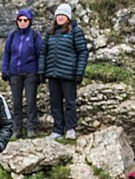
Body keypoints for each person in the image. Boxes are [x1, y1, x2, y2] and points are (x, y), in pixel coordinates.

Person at [38, 3, 88, 141]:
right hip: (53, 74)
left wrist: (79, 72)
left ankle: (70, 128)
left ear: (68, 17)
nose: (60, 17)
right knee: (55, 103)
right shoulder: (50, 32)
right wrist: (41, 71)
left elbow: (82, 52)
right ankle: (57, 129)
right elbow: (43, 52)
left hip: (68, 75)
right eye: (58, 15)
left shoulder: (75, 31)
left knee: (70, 102)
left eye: (63, 15)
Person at [1, 8, 42, 139]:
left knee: (31, 102)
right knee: (16, 102)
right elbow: (6, 53)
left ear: (30, 21)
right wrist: (5, 70)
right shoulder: (13, 36)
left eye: (25, 20)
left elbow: (40, 54)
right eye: (20, 20)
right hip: (15, 73)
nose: (22, 22)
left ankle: (31, 128)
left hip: (30, 72)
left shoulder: (35, 35)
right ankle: (17, 129)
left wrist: (40, 72)